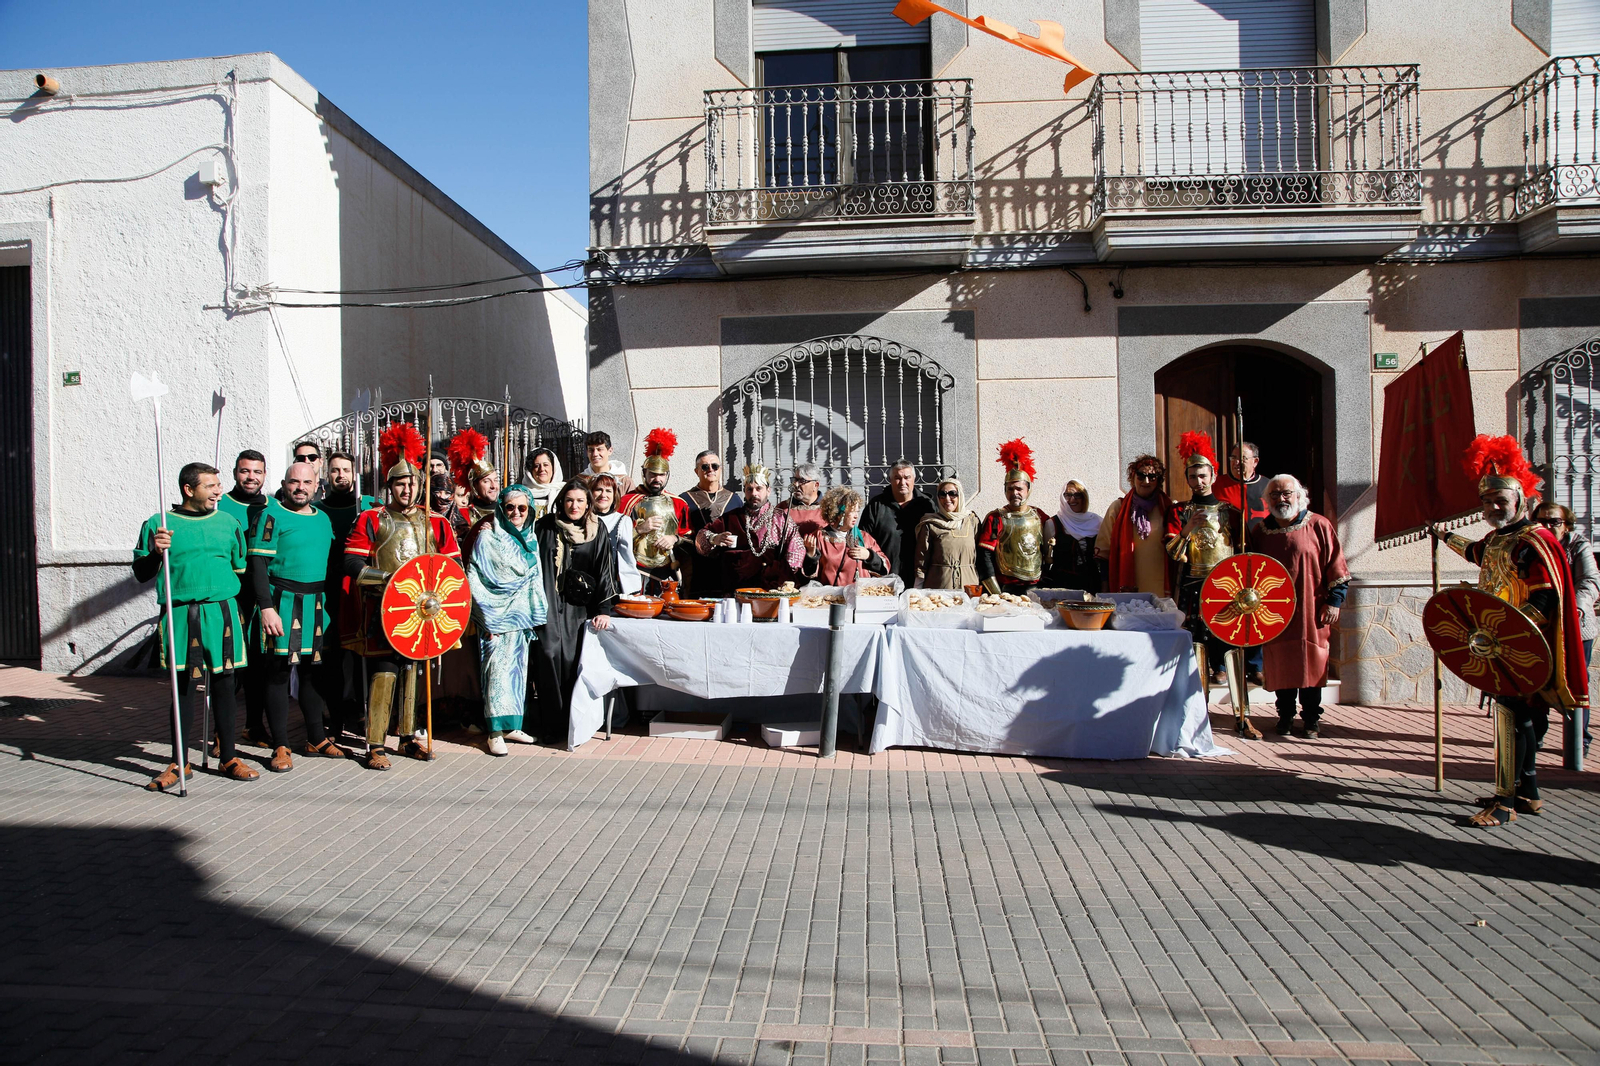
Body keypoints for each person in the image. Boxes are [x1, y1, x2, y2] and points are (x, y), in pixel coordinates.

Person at [1444, 436, 1588, 827]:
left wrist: (1507, 633)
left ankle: (1504, 802)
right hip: (1501, 643)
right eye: (1487, 501)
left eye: (1500, 501)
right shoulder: (1499, 539)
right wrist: (1443, 536)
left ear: (1520, 500)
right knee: (1521, 718)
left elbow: (1543, 598)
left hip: (1521, 644)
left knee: (1512, 718)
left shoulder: (1533, 541)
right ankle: (1529, 791)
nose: (1492, 507)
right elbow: (1477, 553)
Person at [342, 424, 462, 770]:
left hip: (424, 610)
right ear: (390, 486)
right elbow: (351, 562)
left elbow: (451, 570)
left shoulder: (435, 522)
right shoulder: (372, 518)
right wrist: (389, 579)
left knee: (413, 671)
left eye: (412, 483)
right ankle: (376, 743)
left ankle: (408, 737)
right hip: (384, 608)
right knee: (385, 672)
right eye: (400, 483)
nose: (407, 489)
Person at [132, 461, 259, 788]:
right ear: (189, 490)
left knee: (225, 685)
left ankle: (228, 756)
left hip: (221, 612)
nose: (218, 491)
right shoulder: (159, 525)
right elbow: (142, 573)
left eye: (218, 485)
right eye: (210, 486)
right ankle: (179, 763)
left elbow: (240, 568)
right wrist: (155, 552)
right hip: (180, 613)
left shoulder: (228, 523)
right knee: (183, 688)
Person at [247, 462, 347, 771]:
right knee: (277, 674)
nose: (300, 487)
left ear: (318, 485)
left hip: (317, 603)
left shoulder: (323, 519)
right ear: (284, 483)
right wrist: (266, 606)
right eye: (294, 481)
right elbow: (258, 566)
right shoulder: (270, 516)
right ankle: (280, 745)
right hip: (281, 602)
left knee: (312, 673)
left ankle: (316, 737)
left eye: (306, 482)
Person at [1247, 475, 1350, 739]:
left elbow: (1336, 565)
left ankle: (1312, 719)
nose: (1281, 499)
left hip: (1311, 609)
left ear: (1298, 495)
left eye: (1286, 494)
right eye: (1275, 495)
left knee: (1311, 662)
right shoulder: (1260, 532)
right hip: (1274, 613)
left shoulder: (1318, 525)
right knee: (1281, 663)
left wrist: (1335, 600)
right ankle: (1284, 716)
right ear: (1267, 500)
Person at [532, 481, 619, 744]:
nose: (574, 506)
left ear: (588, 503)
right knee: (547, 656)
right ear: (561, 501)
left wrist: (604, 609)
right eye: (570, 500)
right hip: (547, 602)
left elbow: (605, 569)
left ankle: (572, 723)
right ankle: (551, 725)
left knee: (572, 661)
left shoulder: (597, 529)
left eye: (580, 501)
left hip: (579, 607)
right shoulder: (545, 526)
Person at [1165, 432, 1244, 716]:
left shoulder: (1231, 512)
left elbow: (1242, 553)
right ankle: (1198, 712)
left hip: (1226, 588)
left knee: (1229, 648)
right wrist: (1187, 531)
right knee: (1196, 647)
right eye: (1193, 476)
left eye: (1203, 475)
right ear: (1187, 479)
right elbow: (1173, 553)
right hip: (1193, 586)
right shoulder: (1180, 511)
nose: (1198, 482)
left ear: (1213, 476)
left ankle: (1241, 714)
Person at [466, 486, 548, 756]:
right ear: (501, 508)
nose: (516, 513)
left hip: (521, 620)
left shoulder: (531, 538)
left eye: (522, 508)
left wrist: (534, 614)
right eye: (510, 507)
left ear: (530, 510)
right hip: (495, 620)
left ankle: (512, 726)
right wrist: (487, 620)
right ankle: (494, 732)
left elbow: (534, 581)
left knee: (517, 674)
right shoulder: (487, 538)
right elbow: (475, 579)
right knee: (496, 676)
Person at [318, 451, 375, 743]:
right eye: (335, 470)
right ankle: (335, 714)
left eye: (346, 470)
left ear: (355, 474)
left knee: (361, 653)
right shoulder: (317, 510)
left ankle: (365, 713)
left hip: (361, 589)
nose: (341, 475)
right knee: (332, 655)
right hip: (329, 588)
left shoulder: (368, 507)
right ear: (327, 474)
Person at [1534, 502, 1598, 755]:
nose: (1548, 527)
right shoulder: (1533, 547)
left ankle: (1579, 740)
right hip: (1540, 625)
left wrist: (1576, 609)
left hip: (1575, 626)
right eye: (1542, 522)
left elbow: (1590, 581)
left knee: (1576, 682)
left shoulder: (1578, 545)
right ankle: (1535, 735)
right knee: (1536, 680)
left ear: (1566, 524)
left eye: (1554, 522)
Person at [217, 449, 271, 745]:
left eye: (257, 472)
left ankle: (254, 725)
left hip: (262, 595)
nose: (251, 477)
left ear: (265, 474)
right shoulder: (219, 505)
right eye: (245, 471)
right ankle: (221, 732)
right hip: (230, 594)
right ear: (235, 473)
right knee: (230, 668)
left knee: (259, 667)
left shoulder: (271, 506)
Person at [695, 463, 806, 593]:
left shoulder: (781, 518)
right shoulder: (731, 517)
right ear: (744, 491)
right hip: (736, 589)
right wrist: (715, 538)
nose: (754, 493)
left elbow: (796, 549)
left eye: (759, 488)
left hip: (772, 589)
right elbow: (701, 536)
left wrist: (783, 575)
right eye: (749, 489)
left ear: (768, 491)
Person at [976, 439, 1054, 595]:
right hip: (1006, 588)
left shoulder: (1040, 516)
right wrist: (996, 593)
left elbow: (1048, 550)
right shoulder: (996, 517)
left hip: (1036, 586)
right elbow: (985, 557)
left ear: (1028, 490)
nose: (1014, 493)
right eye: (1010, 489)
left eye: (1019, 488)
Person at [619, 428, 691, 594]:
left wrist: (674, 538)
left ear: (667, 476)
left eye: (661, 475)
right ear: (644, 473)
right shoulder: (627, 501)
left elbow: (690, 539)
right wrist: (639, 530)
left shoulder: (678, 503)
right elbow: (613, 538)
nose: (657, 479)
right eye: (652, 474)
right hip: (634, 570)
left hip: (666, 570)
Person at [1097, 455, 1171, 596]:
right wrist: (1104, 585)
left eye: (1152, 477)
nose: (1146, 481)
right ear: (1133, 477)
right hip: (1126, 586)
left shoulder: (1168, 508)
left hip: (1160, 588)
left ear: (1159, 480)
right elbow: (1103, 551)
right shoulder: (1117, 508)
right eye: (1141, 476)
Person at [679, 449, 743, 597]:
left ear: (720, 469)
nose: (710, 470)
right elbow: (680, 535)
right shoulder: (684, 500)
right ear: (697, 471)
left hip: (728, 568)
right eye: (705, 467)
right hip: (697, 567)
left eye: (715, 466)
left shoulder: (735, 499)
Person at [861, 460, 936, 582]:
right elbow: (864, 540)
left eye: (907, 477)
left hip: (920, 578)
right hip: (884, 578)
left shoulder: (927, 506)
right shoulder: (876, 506)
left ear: (914, 479)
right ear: (890, 479)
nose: (903, 482)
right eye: (897, 478)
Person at [804, 487, 890, 585]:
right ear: (839, 514)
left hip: (859, 596)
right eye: (852, 511)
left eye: (857, 511)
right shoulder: (819, 537)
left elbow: (885, 568)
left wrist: (869, 556)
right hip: (832, 598)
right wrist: (811, 555)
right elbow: (808, 575)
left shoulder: (864, 538)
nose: (856, 516)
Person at [914, 477, 979, 589]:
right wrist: (917, 590)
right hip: (939, 585)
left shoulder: (972, 521)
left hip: (968, 585)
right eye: (942, 494)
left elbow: (982, 556)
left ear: (960, 496)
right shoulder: (930, 524)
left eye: (952, 493)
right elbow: (921, 561)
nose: (947, 498)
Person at [1046, 479, 1104, 592]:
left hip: (1091, 584)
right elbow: (1045, 554)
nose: (1072, 499)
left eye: (1078, 495)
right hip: (1062, 585)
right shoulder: (1053, 523)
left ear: (1084, 497)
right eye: (1068, 495)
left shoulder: (1097, 522)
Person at [592, 474, 643, 596]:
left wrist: (633, 589)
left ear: (614, 495)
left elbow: (626, 558)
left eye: (608, 491)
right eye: (599, 489)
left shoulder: (622, 521)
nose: (603, 495)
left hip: (609, 588)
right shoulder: (583, 519)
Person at [1215, 442, 1270, 528]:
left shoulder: (1268, 485)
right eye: (1233, 458)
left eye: (1242, 458)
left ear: (1255, 462)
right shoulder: (1217, 484)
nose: (1236, 462)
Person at [578, 430, 633, 495]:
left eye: (599, 449)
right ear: (587, 452)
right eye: (591, 450)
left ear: (610, 451)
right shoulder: (580, 481)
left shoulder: (624, 481)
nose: (595, 454)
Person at [780, 462, 826, 539]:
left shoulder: (829, 509)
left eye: (802, 481)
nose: (796, 485)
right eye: (795, 480)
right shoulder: (783, 508)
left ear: (816, 485)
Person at [523, 447, 565, 521]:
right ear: (530, 470)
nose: (541, 469)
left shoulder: (564, 493)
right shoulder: (522, 495)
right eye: (536, 466)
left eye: (545, 465)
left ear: (554, 467)